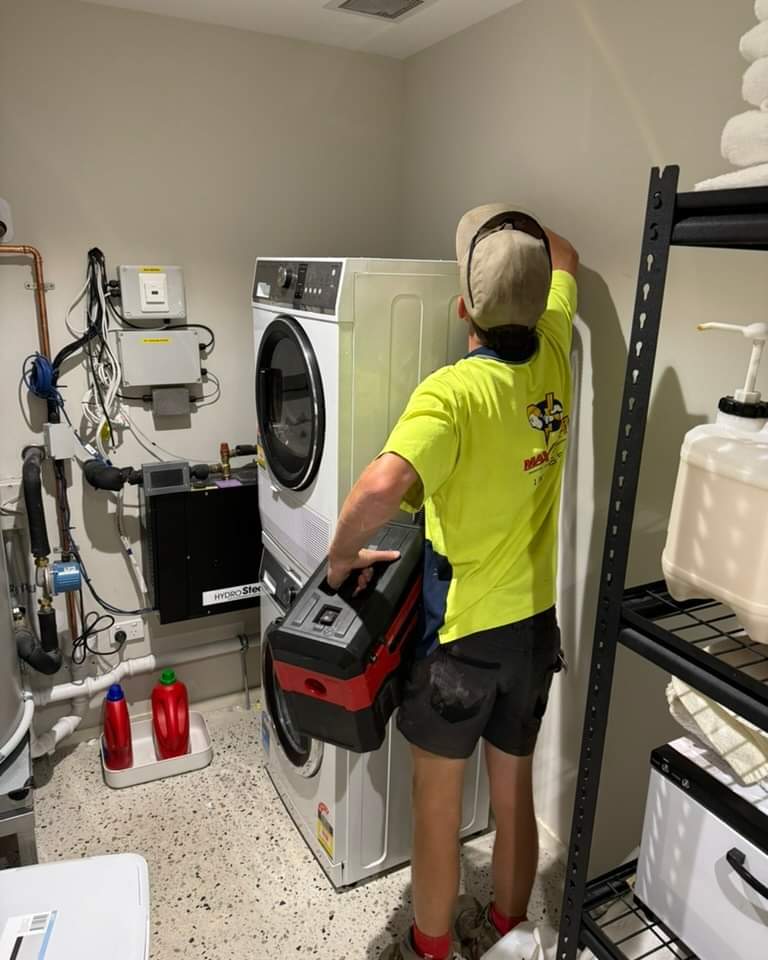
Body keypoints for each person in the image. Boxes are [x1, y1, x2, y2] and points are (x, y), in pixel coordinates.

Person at [326, 204, 578, 960]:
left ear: (463, 305)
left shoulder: (452, 394)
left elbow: (381, 486)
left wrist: (340, 560)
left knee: (436, 812)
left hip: (461, 642)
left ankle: (431, 950)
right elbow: (561, 252)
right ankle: (504, 932)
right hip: (531, 633)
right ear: (537, 302)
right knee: (513, 797)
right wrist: (514, 228)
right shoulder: (558, 346)